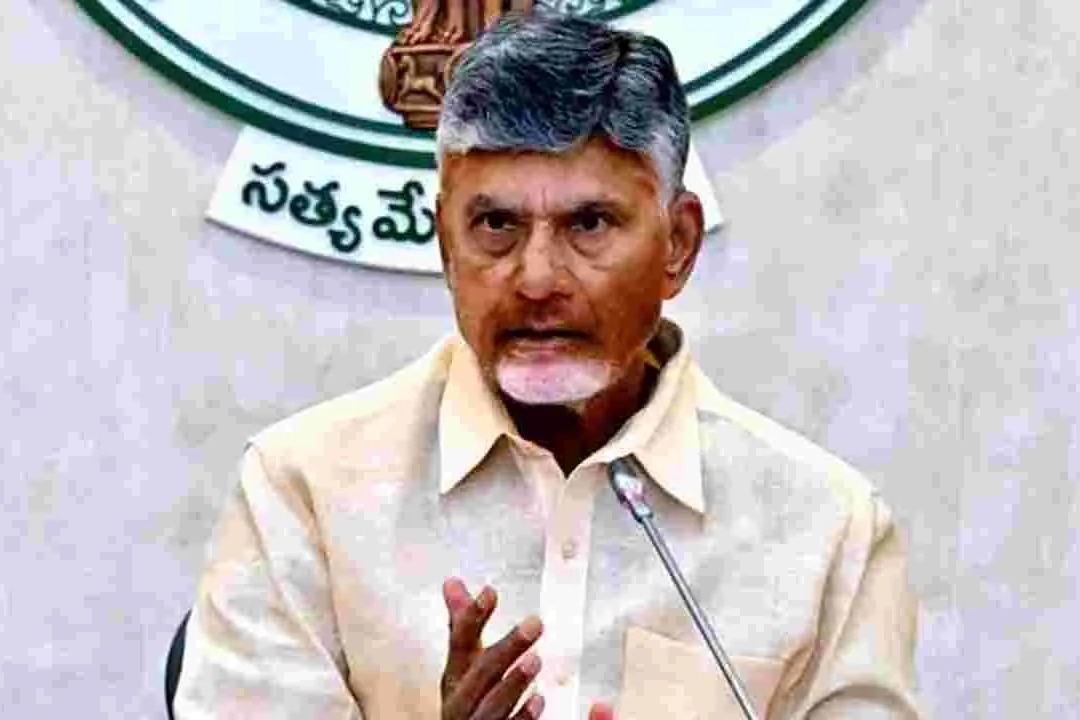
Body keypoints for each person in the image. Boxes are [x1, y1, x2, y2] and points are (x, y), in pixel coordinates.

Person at [173, 12, 923, 720]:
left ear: (677, 245)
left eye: (589, 223)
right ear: (446, 246)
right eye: (496, 224)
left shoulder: (827, 530)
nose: (537, 279)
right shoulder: (302, 490)